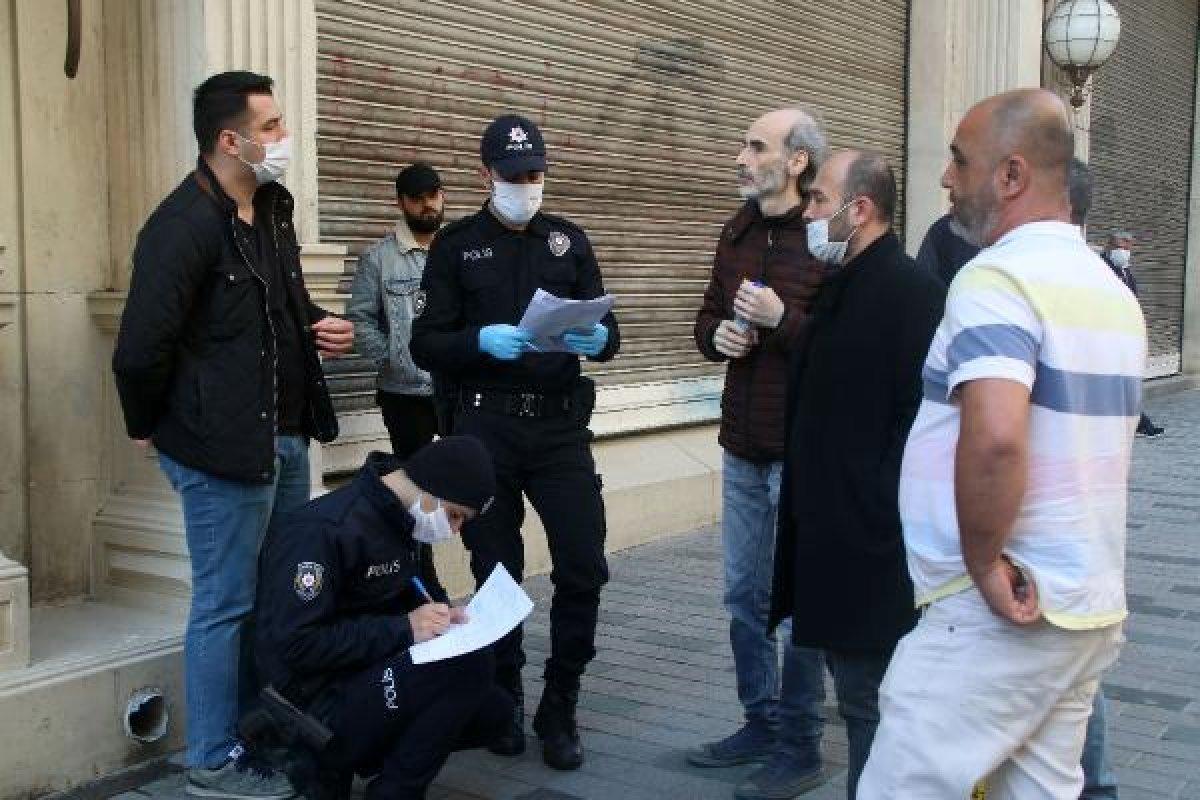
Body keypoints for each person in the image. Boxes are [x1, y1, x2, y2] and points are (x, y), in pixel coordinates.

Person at [858, 89, 1145, 799]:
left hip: (998, 605)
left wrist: (983, 563)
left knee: (899, 786)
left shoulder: (997, 277)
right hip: (1082, 601)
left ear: (1011, 175)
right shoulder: (1109, 289)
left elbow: (994, 438)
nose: (946, 179)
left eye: (960, 161)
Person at [112, 71, 354, 799]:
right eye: (271, 126)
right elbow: (139, 351)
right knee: (225, 603)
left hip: (285, 437)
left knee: (275, 595)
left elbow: (283, 307)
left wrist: (322, 326)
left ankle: (258, 733)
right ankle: (212, 760)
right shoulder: (180, 227)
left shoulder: (272, 209)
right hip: (220, 451)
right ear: (230, 140)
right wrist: (144, 427)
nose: (285, 137)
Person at [409, 114, 620, 771]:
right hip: (486, 430)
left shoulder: (568, 240)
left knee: (583, 562)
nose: (526, 185)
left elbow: (608, 329)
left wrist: (599, 339)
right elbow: (425, 343)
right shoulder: (456, 246)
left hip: (559, 429)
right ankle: (503, 695)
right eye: (513, 174)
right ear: (486, 174)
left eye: (535, 173)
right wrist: (478, 340)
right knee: (495, 569)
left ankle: (560, 703)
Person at [768, 150, 945, 799]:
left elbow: (918, 421)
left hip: (872, 541)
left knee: (871, 700)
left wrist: (873, 508)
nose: (807, 212)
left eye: (818, 199)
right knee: (856, 693)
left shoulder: (910, 292)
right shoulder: (842, 282)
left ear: (860, 209)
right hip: (831, 529)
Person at [687, 108, 829, 800]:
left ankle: (801, 745)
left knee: (796, 605)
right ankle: (760, 721)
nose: (741, 158)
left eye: (756, 146)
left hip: (799, 451)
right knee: (742, 593)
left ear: (796, 161)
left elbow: (842, 346)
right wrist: (716, 336)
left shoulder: (826, 236)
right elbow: (706, 316)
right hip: (741, 443)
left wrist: (782, 323)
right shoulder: (735, 230)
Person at [253, 437, 512, 800]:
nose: (454, 530)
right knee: (470, 668)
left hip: (364, 674)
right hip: (309, 703)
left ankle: (360, 766)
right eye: (455, 515)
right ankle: (385, 786)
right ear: (431, 488)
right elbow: (296, 645)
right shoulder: (323, 528)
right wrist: (405, 628)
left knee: (493, 708)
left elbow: (417, 593)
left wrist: (443, 616)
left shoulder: (406, 522)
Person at [347, 163, 445, 458]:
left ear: (443, 196)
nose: (427, 205)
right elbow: (359, 320)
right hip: (404, 397)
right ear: (400, 203)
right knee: (413, 475)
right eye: (417, 199)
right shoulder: (377, 259)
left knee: (464, 472)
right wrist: (394, 357)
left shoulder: (458, 251)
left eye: (433, 195)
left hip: (456, 388)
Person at [1102, 231, 1163, 439]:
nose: (1126, 250)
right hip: (1107, 335)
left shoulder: (1126, 272)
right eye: (1122, 246)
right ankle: (1138, 423)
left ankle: (1133, 422)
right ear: (1110, 246)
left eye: (1129, 247)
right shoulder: (1100, 269)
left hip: (1124, 337)